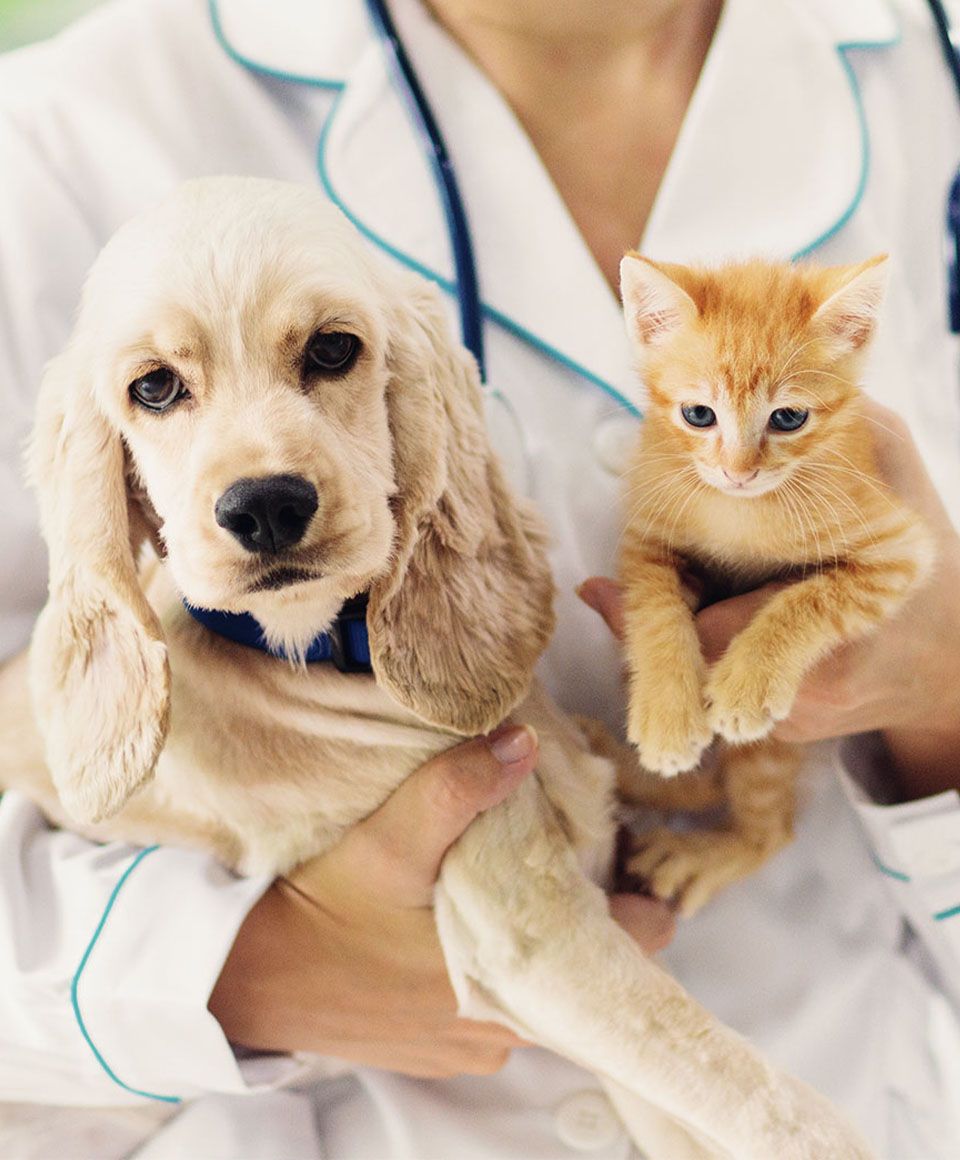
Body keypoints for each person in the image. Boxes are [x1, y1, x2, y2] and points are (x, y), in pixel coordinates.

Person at [0, 0, 957, 1156]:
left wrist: (948, 697)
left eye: (330, 353)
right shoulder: (57, 140)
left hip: (872, 1071)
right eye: (160, 388)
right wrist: (234, 969)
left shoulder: (932, 75)